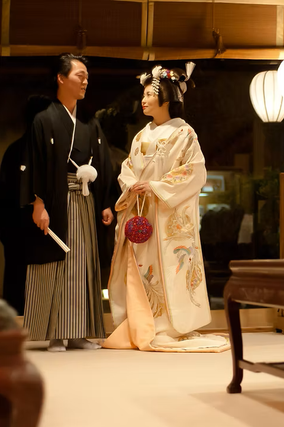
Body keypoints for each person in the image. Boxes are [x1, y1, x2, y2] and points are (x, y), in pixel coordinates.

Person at [104, 63, 228, 353]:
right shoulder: (141, 135)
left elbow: (195, 171)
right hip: (142, 211)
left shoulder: (184, 133)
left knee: (169, 268)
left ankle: (168, 327)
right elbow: (127, 167)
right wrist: (132, 184)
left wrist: (156, 186)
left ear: (166, 99)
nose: (144, 100)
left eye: (149, 94)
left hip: (166, 214)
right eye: (144, 95)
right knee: (140, 268)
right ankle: (141, 323)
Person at [20, 54, 117, 352]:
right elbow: (35, 162)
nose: (85, 81)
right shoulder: (44, 119)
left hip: (84, 199)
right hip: (55, 199)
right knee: (56, 263)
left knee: (83, 263)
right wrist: (38, 204)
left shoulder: (90, 122)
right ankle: (55, 334)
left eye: (87, 77)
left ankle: (79, 332)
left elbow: (103, 162)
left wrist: (105, 202)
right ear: (61, 78)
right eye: (79, 75)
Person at [0, 95, 52, 314]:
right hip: (20, 231)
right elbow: (4, 199)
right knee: (22, 286)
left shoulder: (50, 151)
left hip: (34, 231)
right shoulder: (18, 151)